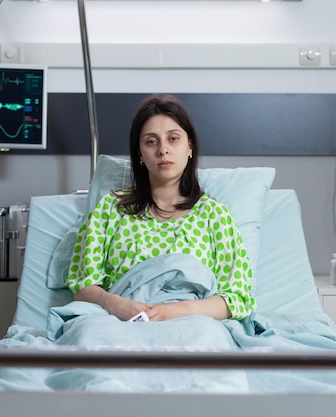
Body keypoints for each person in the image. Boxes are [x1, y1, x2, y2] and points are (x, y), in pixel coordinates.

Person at [66, 94, 254, 322]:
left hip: (192, 325)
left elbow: (236, 300)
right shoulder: (110, 209)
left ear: (190, 146)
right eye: (151, 141)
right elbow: (83, 288)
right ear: (139, 154)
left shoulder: (215, 216)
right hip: (119, 322)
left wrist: (178, 310)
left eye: (173, 139)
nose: (163, 150)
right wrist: (118, 305)